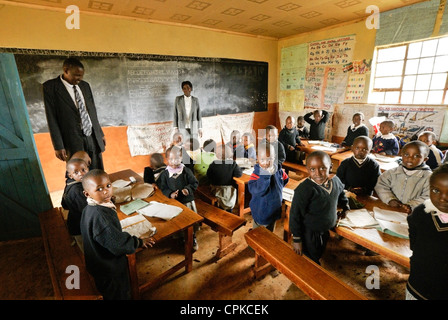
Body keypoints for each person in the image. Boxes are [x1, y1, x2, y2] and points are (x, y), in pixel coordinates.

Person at [80, 169, 154, 300]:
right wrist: (139, 242)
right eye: (99, 189)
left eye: (108, 186)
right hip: (109, 269)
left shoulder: (89, 208)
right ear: (87, 194)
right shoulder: (101, 217)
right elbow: (118, 245)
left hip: (97, 261)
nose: (106, 191)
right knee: (119, 294)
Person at [43, 57, 106, 170]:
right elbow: (51, 118)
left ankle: (98, 187)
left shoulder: (85, 86)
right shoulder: (51, 87)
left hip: (91, 135)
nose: (79, 78)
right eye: (76, 75)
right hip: (71, 138)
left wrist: (99, 133)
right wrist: (58, 145)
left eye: (81, 75)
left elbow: (91, 111)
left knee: (97, 168)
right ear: (66, 70)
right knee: (79, 171)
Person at [289, 151, 350, 264]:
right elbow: (295, 215)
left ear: (330, 167)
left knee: (320, 250)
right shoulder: (304, 189)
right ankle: (310, 275)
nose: (318, 173)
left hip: (325, 229)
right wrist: (297, 239)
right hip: (310, 232)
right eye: (312, 169)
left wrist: (345, 207)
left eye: (322, 168)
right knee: (311, 258)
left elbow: (341, 193)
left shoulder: (335, 181)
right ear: (307, 169)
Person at [405, 164, 448, 300]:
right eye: (436, 191)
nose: (443, 198)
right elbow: (414, 244)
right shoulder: (420, 212)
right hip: (417, 286)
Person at [157, 146, 199, 250]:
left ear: (181, 158)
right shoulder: (165, 174)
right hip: (175, 203)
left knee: (190, 221)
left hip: (187, 202)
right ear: (167, 159)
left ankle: (192, 237)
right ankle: (180, 237)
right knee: (178, 221)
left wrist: (188, 189)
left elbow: (194, 183)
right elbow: (163, 188)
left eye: (177, 158)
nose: (174, 161)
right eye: (171, 159)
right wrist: (170, 194)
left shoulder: (186, 171)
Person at [374, 141, 432, 214]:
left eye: (416, 156)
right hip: (391, 210)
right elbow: (380, 186)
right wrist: (390, 199)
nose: (410, 158)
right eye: (406, 154)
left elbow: (428, 196)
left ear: (425, 159)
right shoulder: (391, 173)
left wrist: (411, 205)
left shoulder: (429, 178)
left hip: (414, 214)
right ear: (401, 155)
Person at [248, 142, 289, 232]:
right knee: (259, 235)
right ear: (257, 159)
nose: (266, 162)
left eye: (269, 158)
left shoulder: (278, 170)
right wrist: (265, 175)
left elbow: (285, 179)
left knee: (269, 233)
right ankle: (253, 245)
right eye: (262, 159)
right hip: (262, 211)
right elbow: (258, 191)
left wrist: (278, 189)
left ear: (274, 157)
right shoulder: (257, 174)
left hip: (274, 209)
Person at [61, 158, 89, 252]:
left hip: (73, 221)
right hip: (80, 228)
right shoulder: (77, 191)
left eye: (83, 170)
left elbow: (64, 205)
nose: (81, 173)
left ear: (88, 169)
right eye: (76, 172)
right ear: (70, 175)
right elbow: (88, 211)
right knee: (87, 250)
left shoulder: (69, 184)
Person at [207, 144, 243, 212]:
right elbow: (238, 174)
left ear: (218, 155)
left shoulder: (214, 163)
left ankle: (220, 210)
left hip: (216, 189)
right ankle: (230, 211)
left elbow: (209, 175)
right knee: (235, 188)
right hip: (229, 191)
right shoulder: (233, 163)